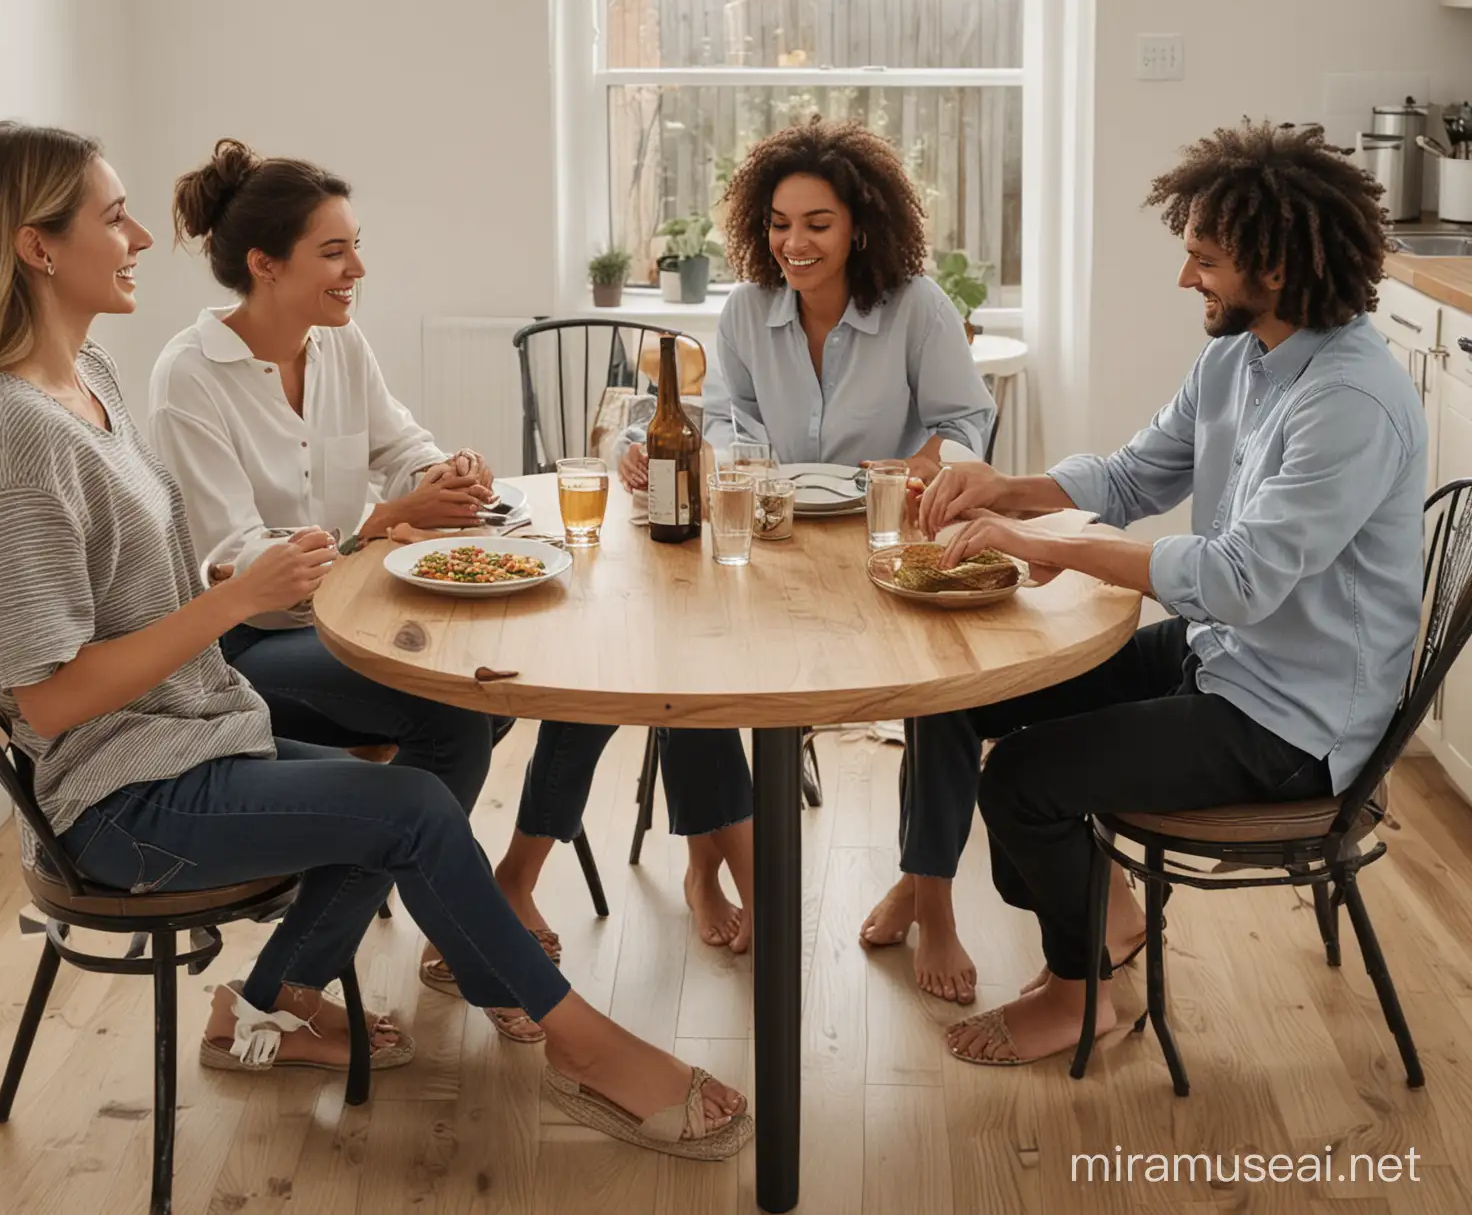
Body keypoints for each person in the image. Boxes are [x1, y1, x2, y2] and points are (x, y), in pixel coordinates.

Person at [0, 121, 750, 1157]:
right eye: (113, 216)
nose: (141, 234)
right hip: (120, 798)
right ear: (35, 246)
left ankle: (268, 1003)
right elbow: (44, 698)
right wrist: (234, 602)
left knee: (432, 758)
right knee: (407, 806)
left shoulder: (84, 376)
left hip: (192, 734)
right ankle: (582, 1045)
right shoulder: (13, 430)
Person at [916, 120, 1425, 1066]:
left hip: (1294, 721)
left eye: (1205, 260)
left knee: (1024, 780)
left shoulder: (1349, 403)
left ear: (1274, 266)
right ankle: (1107, 908)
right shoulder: (1239, 359)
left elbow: (1235, 579)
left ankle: (1084, 996)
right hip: (1223, 660)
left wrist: (1048, 548)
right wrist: (1005, 489)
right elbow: (1133, 476)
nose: (1186, 279)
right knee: (964, 692)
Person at [493, 117, 994, 969]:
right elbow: (720, 420)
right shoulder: (748, 311)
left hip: (880, 550)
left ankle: (930, 897)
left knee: (942, 700)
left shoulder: (916, 307)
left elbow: (965, 422)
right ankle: (705, 870)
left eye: (817, 223)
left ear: (862, 224)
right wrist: (688, 455)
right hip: (768, 546)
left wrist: (913, 470)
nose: (793, 242)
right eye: (778, 223)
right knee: (685, 662)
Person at [148, 141, 530, 1031]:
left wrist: (448, 472)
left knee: (480, 687)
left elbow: (398, 441)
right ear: (264, 264)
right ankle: (459, 954)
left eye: (356, 245)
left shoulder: (337, 339)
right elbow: (239, 561)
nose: (357, 268)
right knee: (452, 719)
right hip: (238, 646)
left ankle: (360, 951)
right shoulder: (187, 379)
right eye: (334, 252)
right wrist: (389, 519)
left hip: (341, 616)